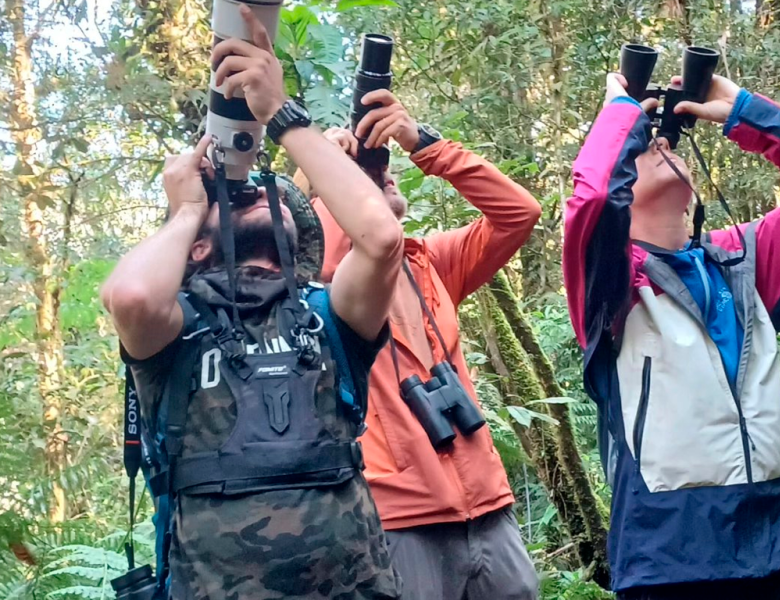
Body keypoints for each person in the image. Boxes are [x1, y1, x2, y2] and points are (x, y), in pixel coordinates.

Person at [100, 6, 403, 599]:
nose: (259, 196)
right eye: (227, 198)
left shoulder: (328, 315)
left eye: (278, 197)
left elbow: (383, 237)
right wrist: (186, 206)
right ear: (197, 244)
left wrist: (282, 117)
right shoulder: (176, 329)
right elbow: (130, 294)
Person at [562, 72, 780, 600]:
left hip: (778, 544)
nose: (658, 140)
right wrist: (620, 113)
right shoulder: (612, 281)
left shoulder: (741, 261)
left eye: (662, 137)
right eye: (642, 146)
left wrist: (743, 110)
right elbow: (592, 200)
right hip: (671, 559)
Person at [293, 89, 542, 600]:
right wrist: (319, 172)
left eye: (383, 168)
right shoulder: (318, 292)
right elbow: (304, 248)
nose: (381, 170)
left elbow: (519, 213)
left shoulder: (430, 261)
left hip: (487, 503)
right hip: (397, 519)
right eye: (363, 174)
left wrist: (422, 142)